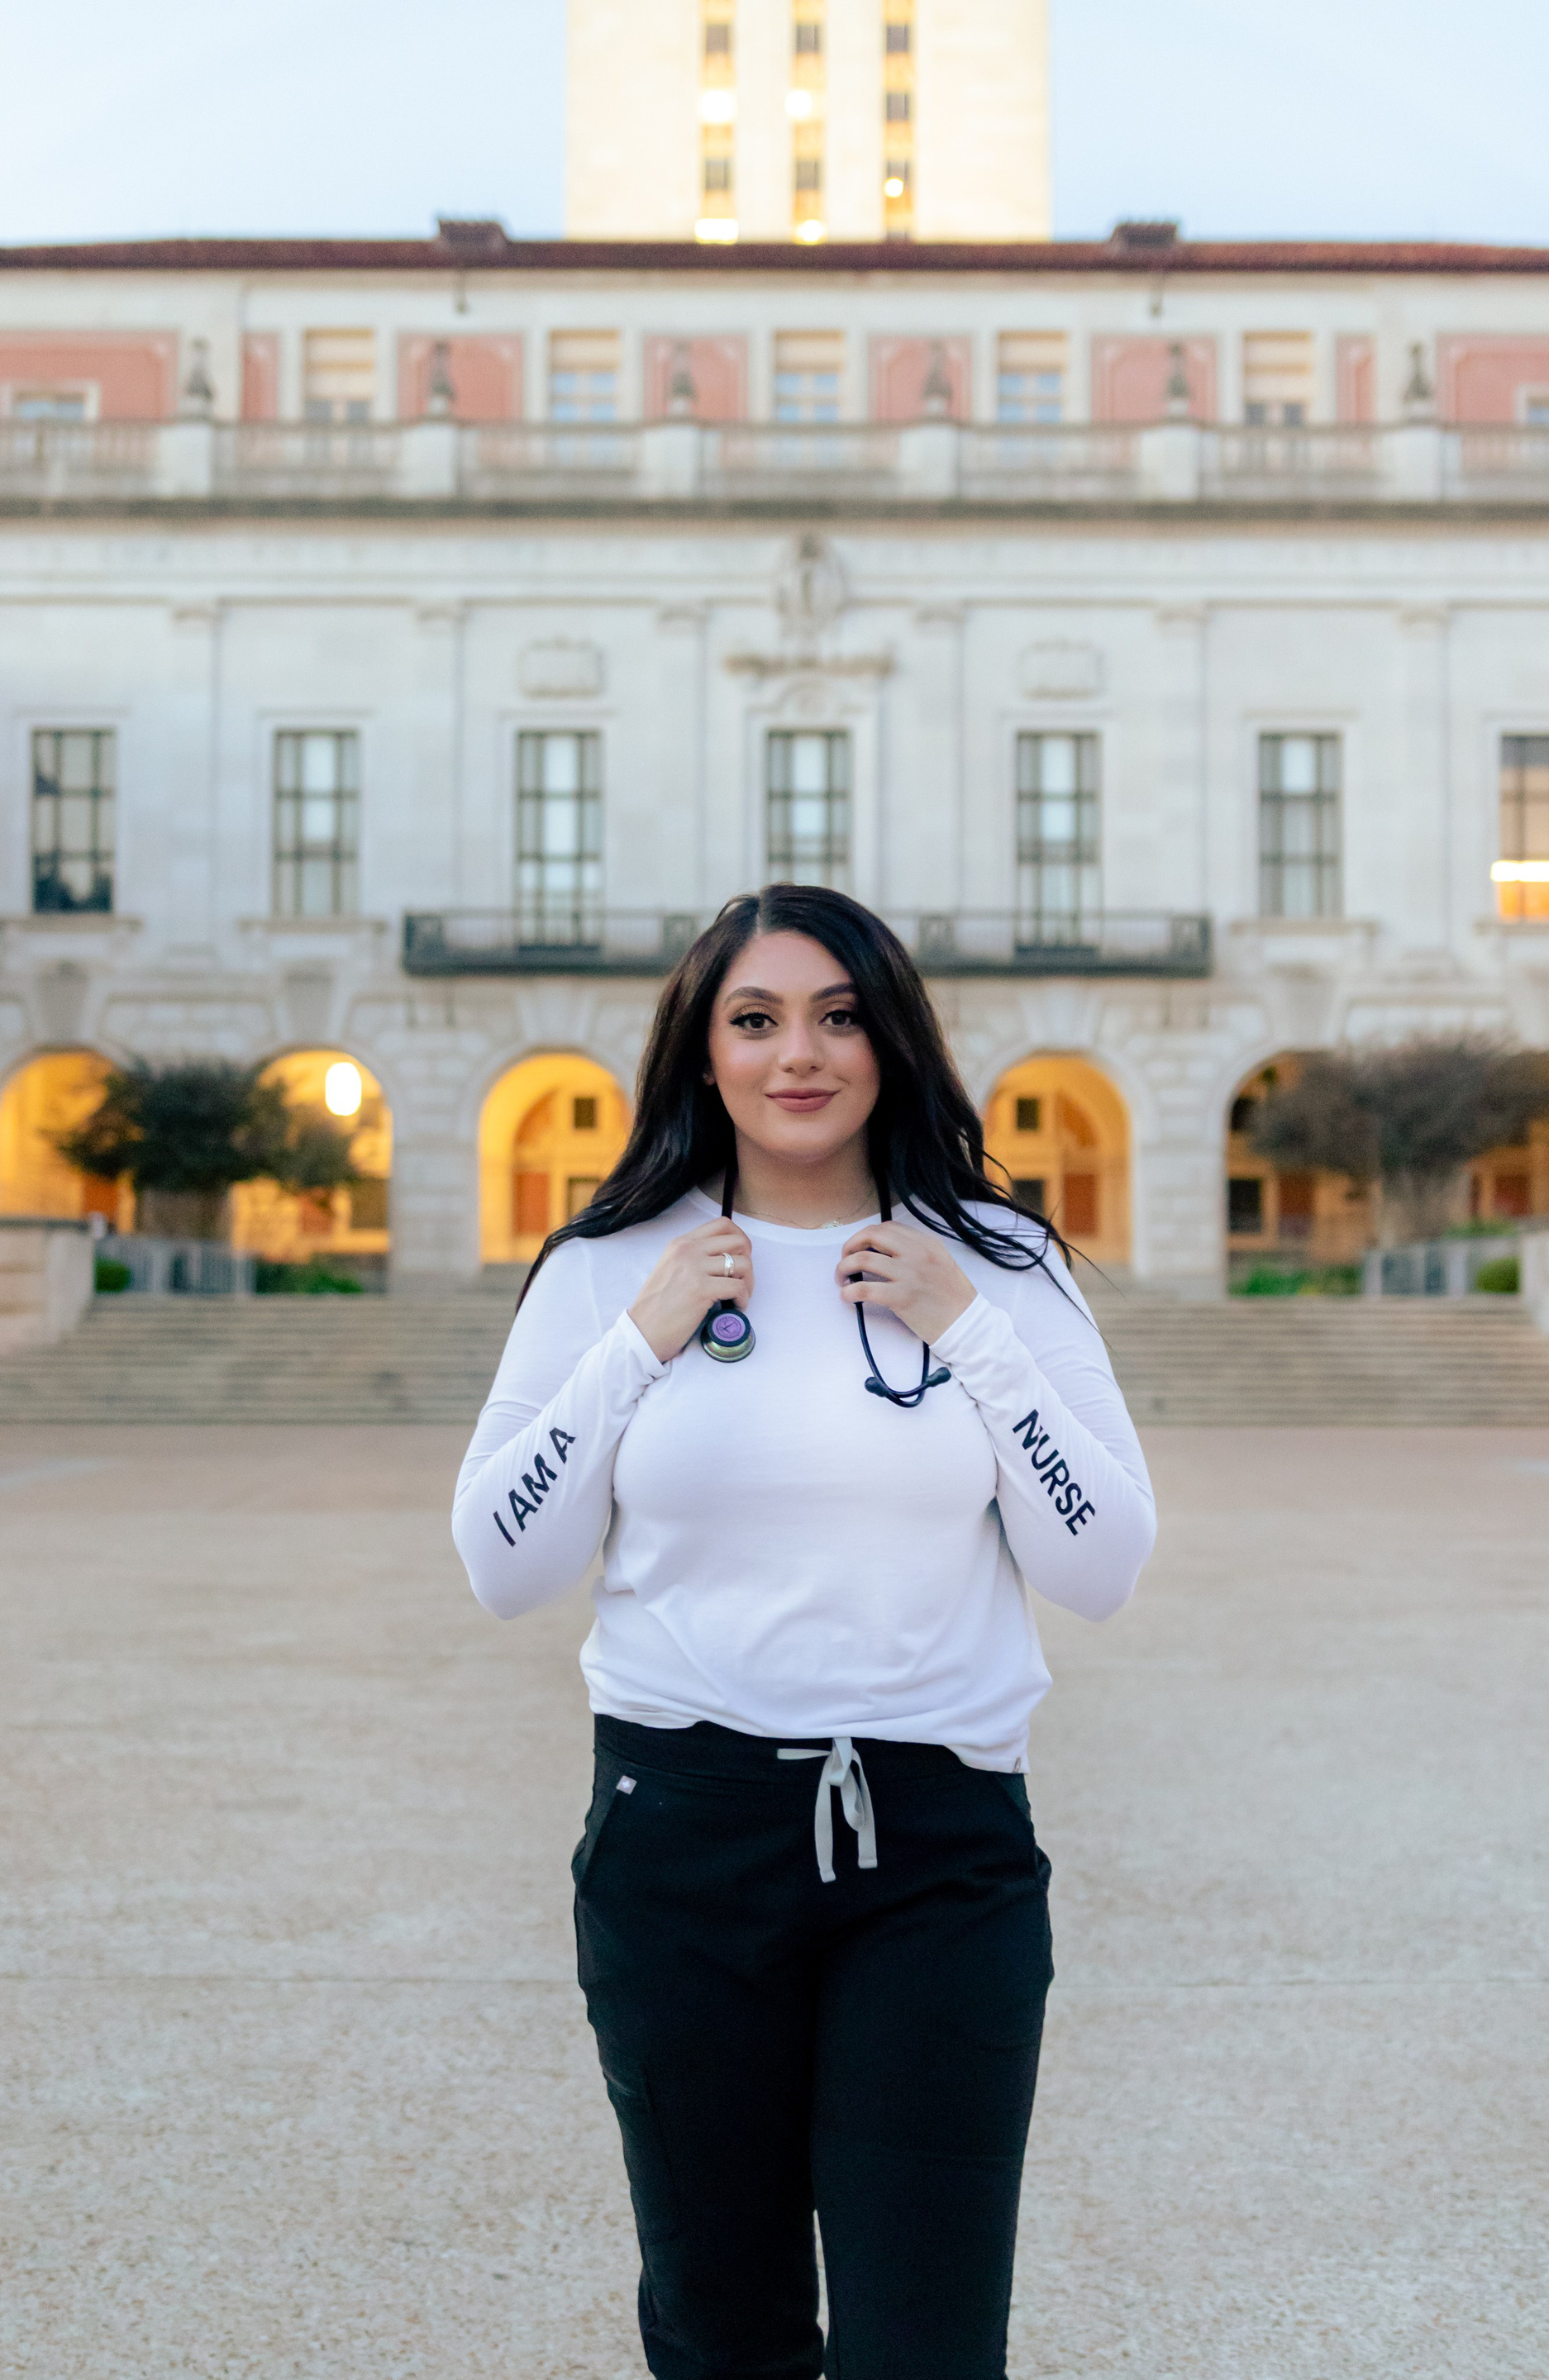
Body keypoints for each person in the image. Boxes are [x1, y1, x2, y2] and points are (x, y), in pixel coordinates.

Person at [453, 883, 1156, 2380]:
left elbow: (1100, 1563)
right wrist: (636, 1343)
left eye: (839, 1017)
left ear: (891, 1039)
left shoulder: (999, 1264)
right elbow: (505, 1563)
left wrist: (971, 1334)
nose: (800, 1055)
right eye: (756, 1019)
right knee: (724, 2332)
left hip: (940, 1856)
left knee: (927, 2343)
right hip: (681, 1846)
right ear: (702, 1052)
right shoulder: (606, 1267)